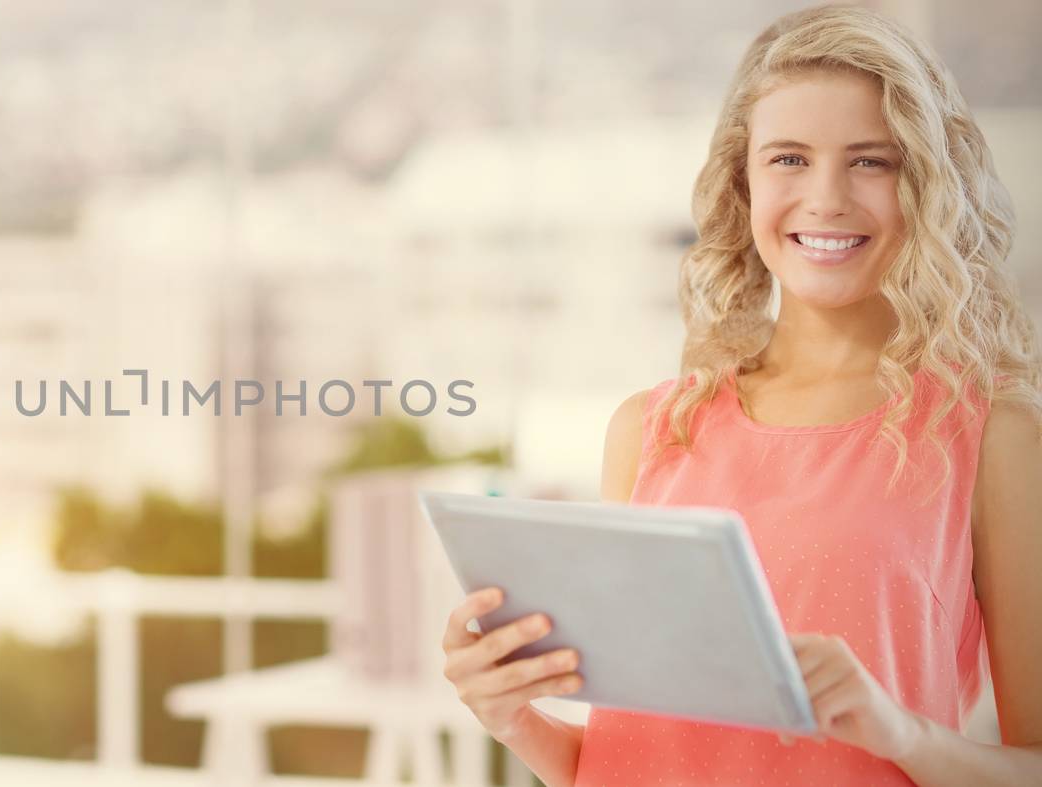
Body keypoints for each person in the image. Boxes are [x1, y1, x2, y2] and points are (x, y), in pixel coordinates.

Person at [439, 6, 1042, 786]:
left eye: (872, 161)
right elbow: (629, 754)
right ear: (743, 181)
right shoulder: (653, 429)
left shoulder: (992, 433)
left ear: (926, 185)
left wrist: (903, 735)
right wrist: (513, 715)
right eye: (789, 159)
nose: (825, 198)